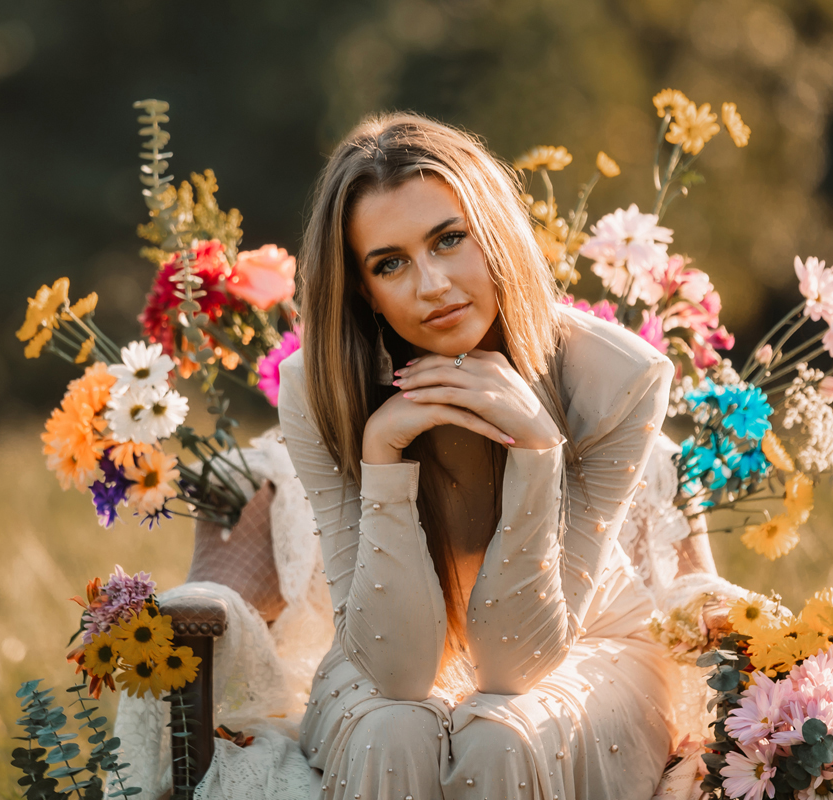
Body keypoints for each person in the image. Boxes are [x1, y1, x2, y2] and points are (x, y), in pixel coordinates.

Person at [276, 111, 678, 800]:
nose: (431, 284)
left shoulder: (617, 379)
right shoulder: (319, 392)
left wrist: (538, 450)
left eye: (449, 240)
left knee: (502, 736)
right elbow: (398, 673)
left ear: (494, 234)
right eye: (390, 263)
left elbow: (513, 666)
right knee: (391, 731)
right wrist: (383, 458)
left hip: (583, 647)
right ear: (363, 292)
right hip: (381, 652)